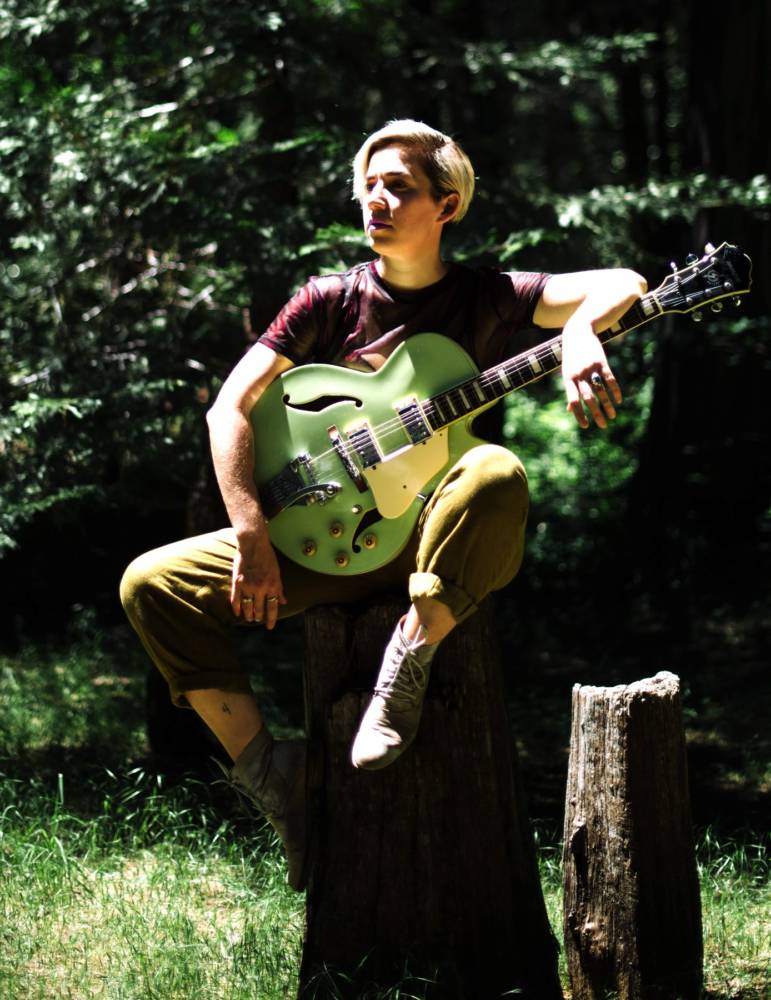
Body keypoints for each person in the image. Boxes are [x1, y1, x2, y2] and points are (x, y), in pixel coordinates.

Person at [120, 119, 647, 892]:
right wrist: (250, 532)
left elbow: (624, 283)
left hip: (426, 541)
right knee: (150, 584)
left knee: (495, 471)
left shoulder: (487, 296)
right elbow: (228, 408)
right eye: (369, 186)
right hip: (322, 541)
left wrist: (576, 333)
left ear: (446, 204)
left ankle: (406, 665)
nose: (376, 199)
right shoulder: (327, 300)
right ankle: (272, 776)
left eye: (398, 186)